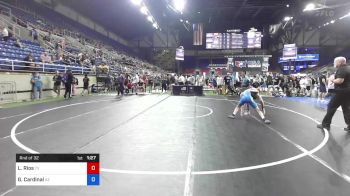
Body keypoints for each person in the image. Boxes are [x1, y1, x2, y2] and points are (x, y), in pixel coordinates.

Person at [317, 57, 350, 132]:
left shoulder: (342, 69)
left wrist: (331, 79)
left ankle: (325, 124)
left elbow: (340, 81)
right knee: (346, 108)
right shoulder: (348, 68)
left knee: (331, 106)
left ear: (340, 62)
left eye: (335, 62)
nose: (334, 63)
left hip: (341, 91)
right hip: (348, 91)